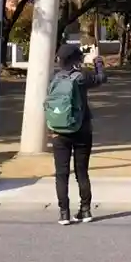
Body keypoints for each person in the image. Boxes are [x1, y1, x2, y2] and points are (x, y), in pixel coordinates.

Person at [45, 43, 106, 225]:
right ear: (76, 59)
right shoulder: (82, 77)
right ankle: (85, 210)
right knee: (82, 172)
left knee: (61, 174)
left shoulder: (55, 78)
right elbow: (102, 78)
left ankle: (64, 213)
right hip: (82, 129)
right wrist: (98, 62)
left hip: (59, 131)